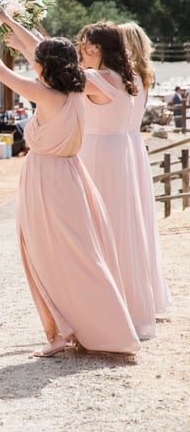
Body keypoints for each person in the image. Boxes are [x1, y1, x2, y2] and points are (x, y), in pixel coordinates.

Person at [0, 17, 140, 357]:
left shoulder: (47, 94)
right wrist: (6, 19)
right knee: (76, 255)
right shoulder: (76, 90)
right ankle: (85, 327)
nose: (34, 64)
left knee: (47, 258)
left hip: (48, 181)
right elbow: (39, 51)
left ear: (44, 67)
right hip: (70, 176)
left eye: (37, 62)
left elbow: (0, 73)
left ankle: (68, 331)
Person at [74, 21, 156, 340]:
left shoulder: (102, 79)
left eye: (88, 46)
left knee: (102, 227)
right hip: (124, 146)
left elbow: (55, 72)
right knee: (127, 225)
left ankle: (102, 307)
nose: (83, 51)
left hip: (103, 151)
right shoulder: (133, 77)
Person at [119, 23, 172, 315]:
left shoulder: (126, 78)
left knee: (126, 217)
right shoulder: (144, 75)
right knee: (138, 217)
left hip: (121, 145)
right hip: (134, 144)